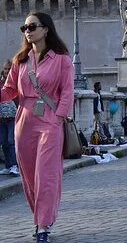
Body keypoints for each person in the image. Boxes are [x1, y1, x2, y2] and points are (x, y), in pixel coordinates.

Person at [0, 12, 74, 243]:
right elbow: (10, 90)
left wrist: (59, 117)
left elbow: (67, 91)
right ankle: (42, 217)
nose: (27, 31)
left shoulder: (62, 59)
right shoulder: (20, 60)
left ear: (46, 29)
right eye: (24, 28)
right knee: (30, 177)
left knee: (46, 175)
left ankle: (42, 227)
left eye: (32, 26)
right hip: (24, 122)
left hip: (50, 122)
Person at [0, 59, 19, 176]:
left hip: (13, 117)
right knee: (4, 142)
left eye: (9, 69)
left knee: (11, 141)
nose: (6, 71)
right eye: (5, 69)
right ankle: (8, 166)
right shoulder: (1, 81)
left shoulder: (16, 81)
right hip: (1, 117)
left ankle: (14, 165)